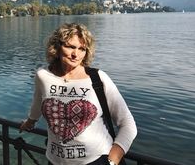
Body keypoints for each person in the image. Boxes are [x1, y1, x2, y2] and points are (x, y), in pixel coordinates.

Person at [20, 23, 137, 165]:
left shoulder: (98, 79)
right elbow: (38, 103)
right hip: (55, 161)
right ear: (57, 47)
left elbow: (128, 124)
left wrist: (113, 159)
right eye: (70, 47)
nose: (76, 54)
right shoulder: (43, 76)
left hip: (95, 161)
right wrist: (30, 122)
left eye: (82, 49)